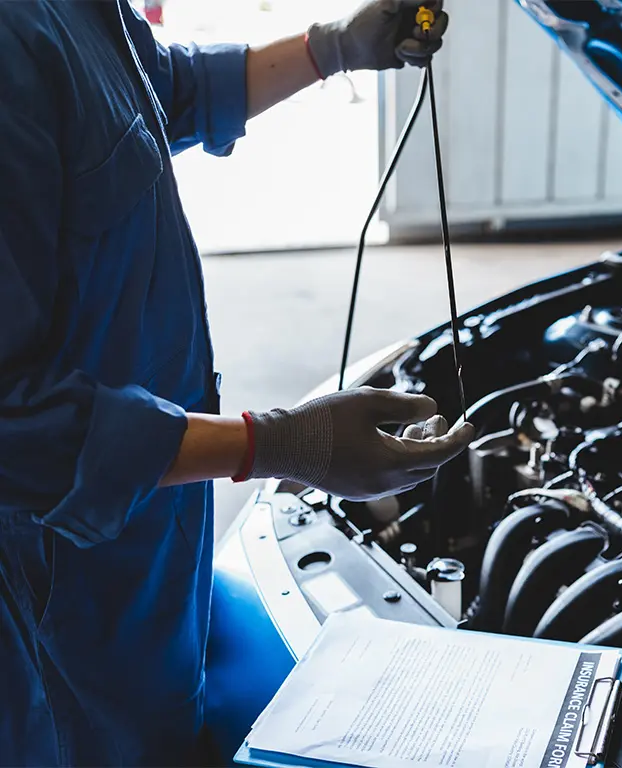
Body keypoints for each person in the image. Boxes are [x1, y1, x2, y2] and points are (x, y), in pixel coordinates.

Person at [0, 0, 467, 765]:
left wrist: (333, 48)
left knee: (168, 722)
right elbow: (12, 430)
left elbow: (164, 90)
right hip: (57, 575)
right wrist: (277, 444)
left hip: (152, 524)